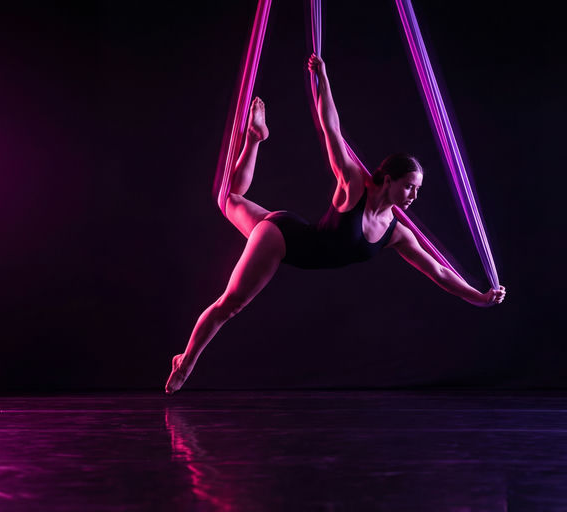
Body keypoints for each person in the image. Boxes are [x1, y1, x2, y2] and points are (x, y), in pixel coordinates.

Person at [165, 54, 506, 394]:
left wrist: (477, 296)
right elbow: (332, 128)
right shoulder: (355, 185)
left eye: (418, 189)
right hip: (280, 239)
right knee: (231, 304)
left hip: (292, 231)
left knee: (231, 199)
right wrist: (322, 78)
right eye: (408, 186)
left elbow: (439, 272)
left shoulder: (396, 233)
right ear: (387, 179)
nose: (414, 195)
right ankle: (187, 361)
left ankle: (255, 137)